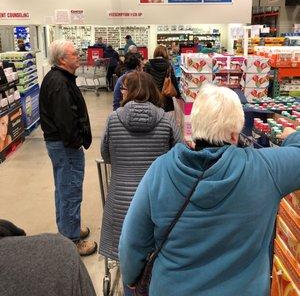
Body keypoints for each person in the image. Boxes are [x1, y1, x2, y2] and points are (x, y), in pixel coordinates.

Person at [119, 84, 300, 296]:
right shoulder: (265, 170)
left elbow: (132, 240)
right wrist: (291, 135)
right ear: (235, 135)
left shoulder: (161, 170)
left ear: (194, 127)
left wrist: (131, 277)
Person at [99, 71, 182, 296]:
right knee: (156, 259)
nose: (122, 92)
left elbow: (106, 154)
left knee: (128, 263)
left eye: (125, 89)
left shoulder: (114, 118)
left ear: (131, 92)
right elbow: (178, 155)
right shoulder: (166, 120)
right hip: (158, 202)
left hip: (120, 201)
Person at [39, 40, 97, 256]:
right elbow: (66, 120)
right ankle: (72, 241)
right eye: (74, 54)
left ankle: (67, 229)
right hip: (65, 146)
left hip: (60, 144)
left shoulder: (59, 78)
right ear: (62, 59)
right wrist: (76, 142)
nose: (79, 56)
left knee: (64, 188)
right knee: (70, 190)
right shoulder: (59, 82)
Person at [0, 219, 96, 296]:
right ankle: (72, 236)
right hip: (61, 252)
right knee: (70, 197)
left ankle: (70, 229)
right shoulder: (59, 251)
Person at [144, 45, 180, 113]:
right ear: (165, 53)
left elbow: (145, 82)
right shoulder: (168, 65)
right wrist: (178, 94)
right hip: (166, 97)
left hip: (152, 97)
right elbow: (173, 80)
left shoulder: (148, 65)